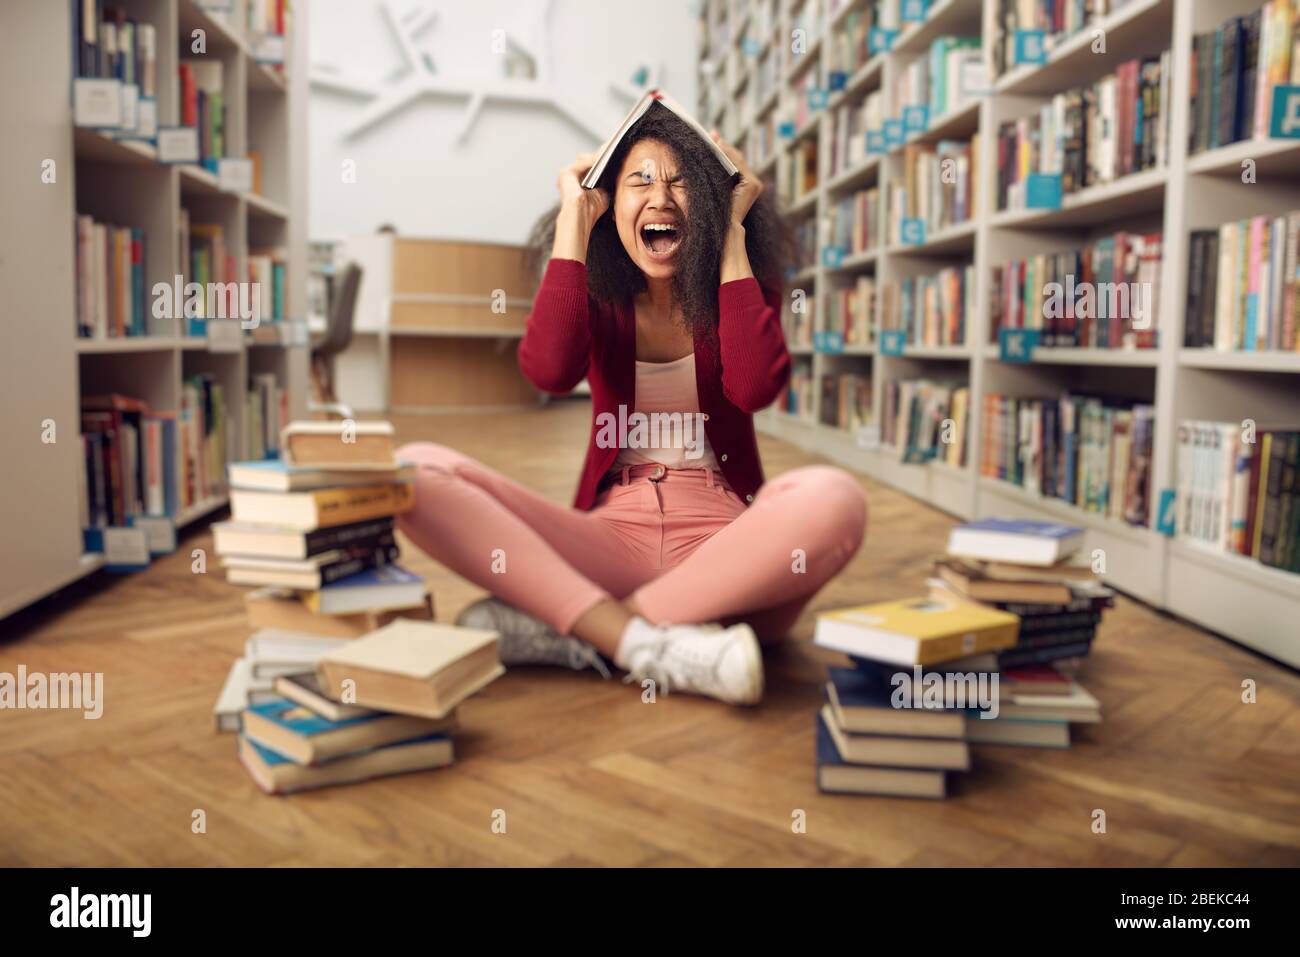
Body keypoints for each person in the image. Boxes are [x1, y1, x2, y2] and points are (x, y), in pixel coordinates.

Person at [396, 105, 867, 705]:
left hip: (730, 552)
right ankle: (652, 645)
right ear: (609, 203)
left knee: (835, 498)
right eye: (639, 181)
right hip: (613, 537)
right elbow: (549, 371)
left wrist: (729, 234)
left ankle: (593, 631)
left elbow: (754, 388)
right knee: (414, 471)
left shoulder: (742, 282)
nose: (661, 198)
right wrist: (573, 217)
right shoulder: (596, 291)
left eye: (684, 183)